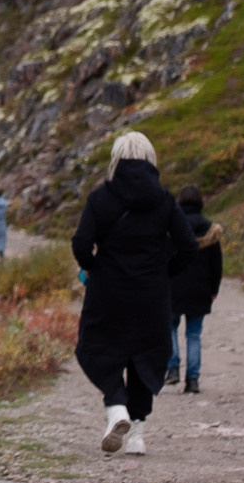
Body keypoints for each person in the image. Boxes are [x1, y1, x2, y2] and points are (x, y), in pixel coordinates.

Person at [71, 132, 196, 455]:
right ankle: (137, 435)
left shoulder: (100, 198)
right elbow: (188, 246)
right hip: (151, 295)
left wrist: (94, 267)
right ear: (150, 158)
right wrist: (165, 272)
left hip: (107, 292)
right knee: (145, 357)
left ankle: (116, 407)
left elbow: (81, 243)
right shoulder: (165, 200)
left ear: (116, 159)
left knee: (96, 348)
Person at [166, 186, 223, 394]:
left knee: (169, 327)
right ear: (200, 202)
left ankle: (172, 368)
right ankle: (192, 380)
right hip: (200, 288)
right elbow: (216, 264)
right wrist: (214, 288)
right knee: (193, 334)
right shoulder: (211, 230)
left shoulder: (171, 228)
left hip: (173, 286)